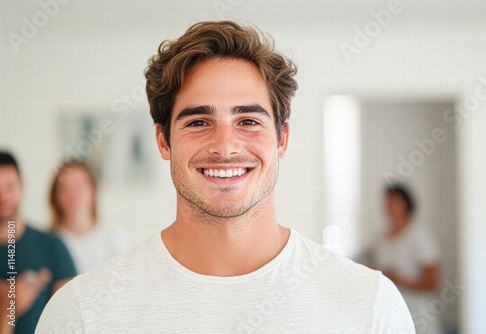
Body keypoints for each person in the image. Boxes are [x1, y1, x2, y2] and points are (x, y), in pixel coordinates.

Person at [36, 21, 415, 333]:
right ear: (163, 141)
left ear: (281, 138)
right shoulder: (80, 312)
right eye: (199, 122)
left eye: (248, 121)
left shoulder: (370, 305)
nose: (225, 146)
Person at [0, 151, 76, 334]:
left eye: (9, 187)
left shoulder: (52, 247)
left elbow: (72, 321)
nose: (3, 197)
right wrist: (10, 307)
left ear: (22, 186)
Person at [372, 184, 443, 334]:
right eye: (387, 201)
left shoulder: (420, 235)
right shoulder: (382, 239)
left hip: (419, 315)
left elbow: (432, 283)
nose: (389, 206)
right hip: (393, 316)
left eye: (394, 201)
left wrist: (400, 279)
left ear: (406, 204)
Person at [49, 160, 130, 274]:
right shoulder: (48, 243)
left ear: (93, 191)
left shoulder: (115, 238)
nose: (73, 194)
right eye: (65, 188)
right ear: (55, 196)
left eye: (78, 186)